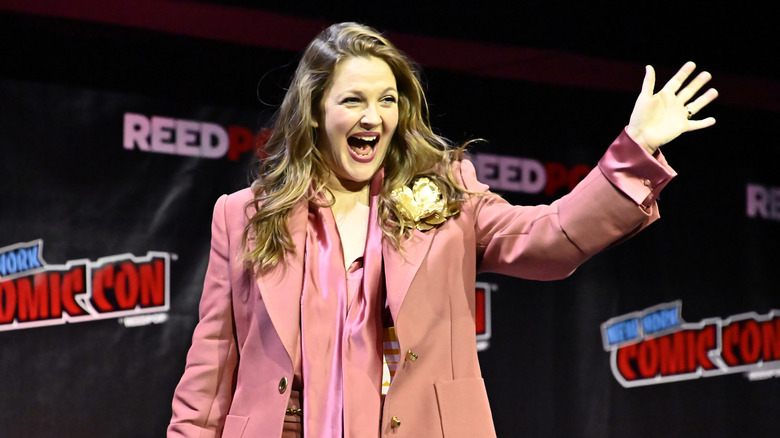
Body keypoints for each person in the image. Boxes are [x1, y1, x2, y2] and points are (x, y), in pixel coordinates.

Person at [167, 22, 717, 438]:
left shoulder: (448, 198)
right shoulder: (243, 215)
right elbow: (209, 375)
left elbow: (552, 237)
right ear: (314, 110)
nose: (373, 117)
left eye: (387, 101)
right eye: (353, 100)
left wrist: (635, 151)